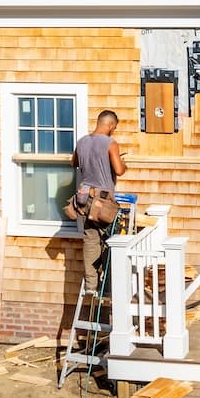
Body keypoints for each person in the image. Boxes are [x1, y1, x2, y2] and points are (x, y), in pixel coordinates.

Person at [71, 109, 127, 293]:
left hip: (84, 197)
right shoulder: (110, 143)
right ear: (110, 125)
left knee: (90, 240)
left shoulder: (81, 142)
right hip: (103, 200)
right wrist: (122, 163)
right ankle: (110, 286)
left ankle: (91, 285)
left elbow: (74, 163)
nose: (113, 130)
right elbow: (118, 170)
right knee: (111, 240)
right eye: (114, 127)